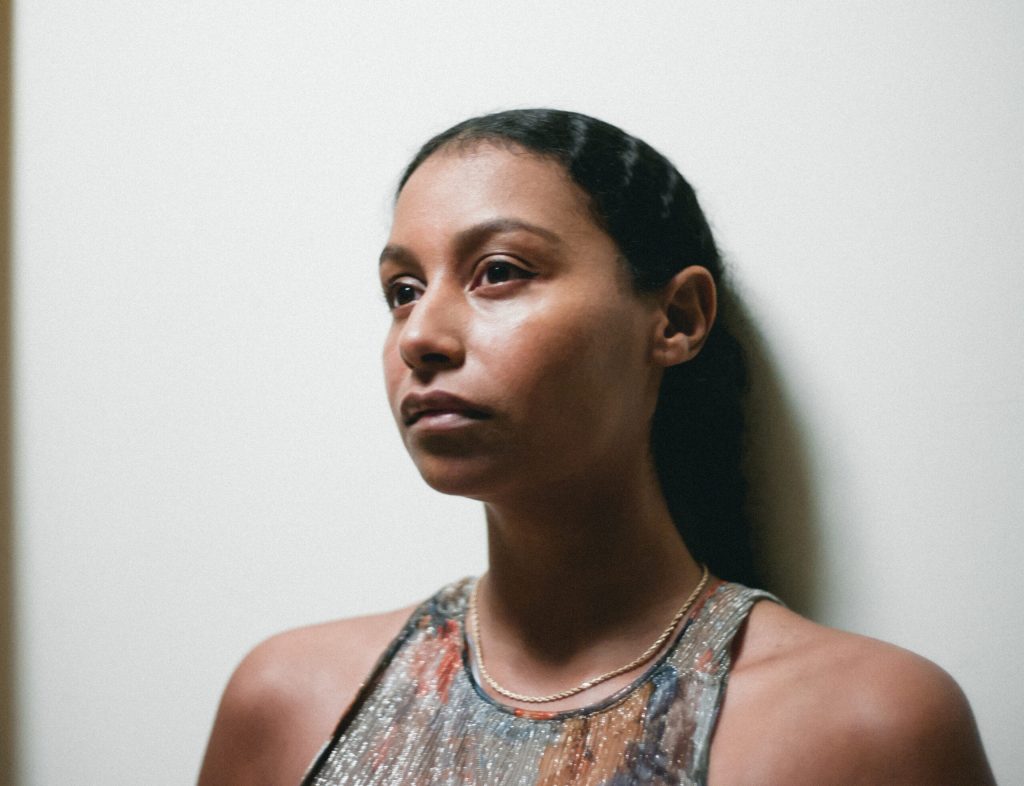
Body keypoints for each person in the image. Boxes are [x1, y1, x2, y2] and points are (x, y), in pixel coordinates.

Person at [198, 109, 994, 785]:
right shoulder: (289, 702)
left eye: (499, 271)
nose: (422, 336)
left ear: (676, 318)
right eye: (402, 291)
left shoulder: (870, 727)